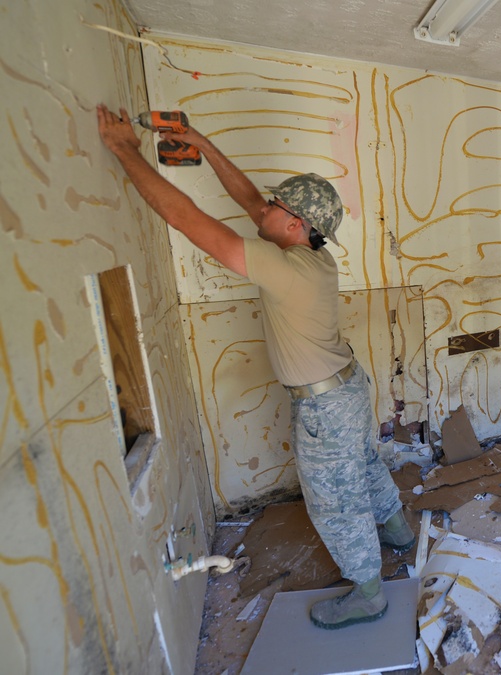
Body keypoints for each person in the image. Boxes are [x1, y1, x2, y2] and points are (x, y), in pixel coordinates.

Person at [96, 104, 414, 630]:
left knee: (336, 500)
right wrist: (198, 139)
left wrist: (126, 150)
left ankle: (369, 592)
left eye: (274, 204)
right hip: (348, 390)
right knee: (362, 466)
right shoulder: (309, 255)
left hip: (326, 405)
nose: (260, 205)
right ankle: (399, 530)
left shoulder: (286, 267)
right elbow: (246, 198)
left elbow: (186, 220)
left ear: (293, 223)